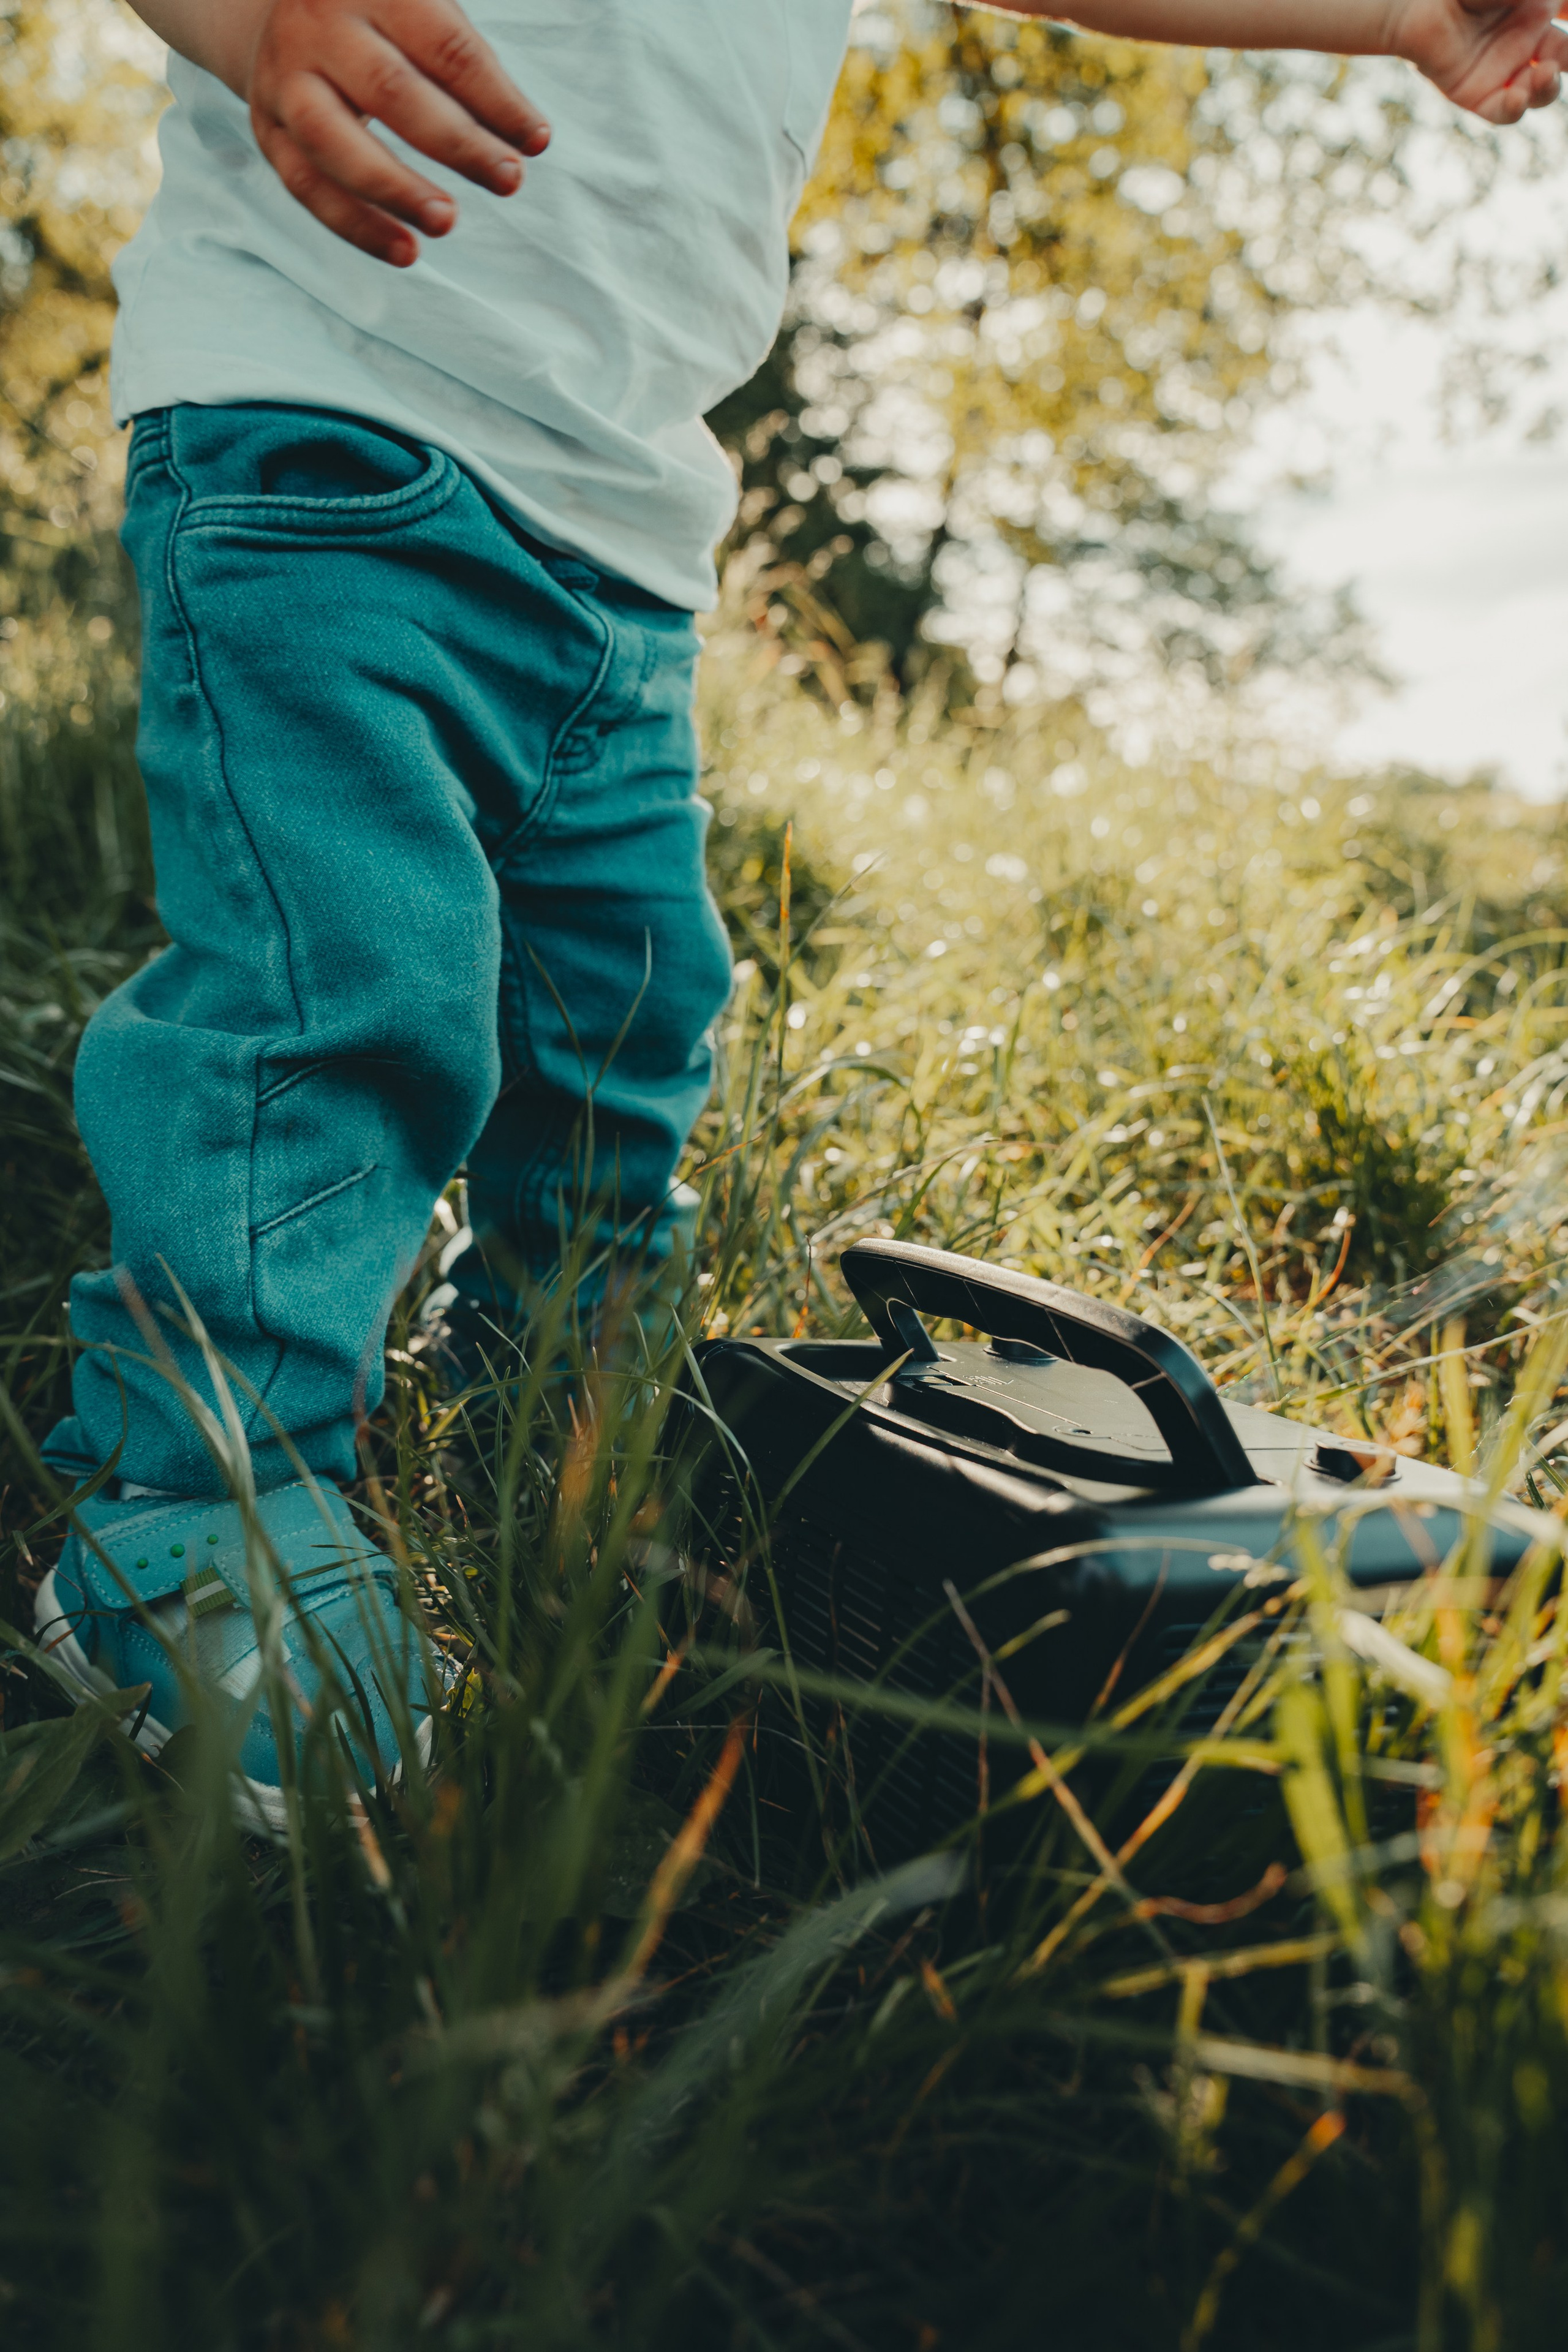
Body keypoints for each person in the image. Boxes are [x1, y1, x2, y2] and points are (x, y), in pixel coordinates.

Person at [35, 0, 1565, 1825]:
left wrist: (1389, 14)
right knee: (343, 989)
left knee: (630, 1021)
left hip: (626, 523)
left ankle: (555, 1399)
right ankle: (192, 1508)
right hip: (334, 412)